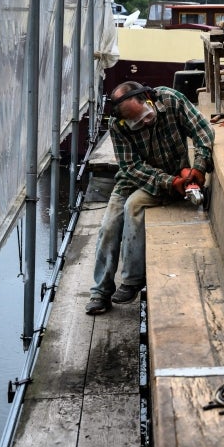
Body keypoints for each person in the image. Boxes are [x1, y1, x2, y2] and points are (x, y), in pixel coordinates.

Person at [85, 81, 214, 315]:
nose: (146, 122)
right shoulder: (118, 125)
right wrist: (170, 183)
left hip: (175, 173)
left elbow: (204, 130)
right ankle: (100, 292)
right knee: (108, 228)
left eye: (146, 115)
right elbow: (131, 166)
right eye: (138, 123)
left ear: (148, 98)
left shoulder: (172, 100)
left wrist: (199, 167)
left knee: (133, 206)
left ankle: (132, 280)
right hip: (136, 179)